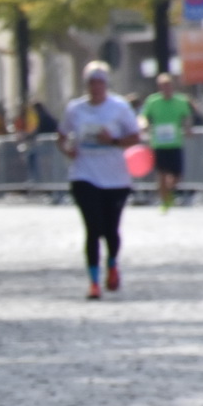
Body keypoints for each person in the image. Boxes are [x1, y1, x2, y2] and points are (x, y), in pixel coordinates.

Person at [58, 61, 139, 299]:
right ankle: (93, 281)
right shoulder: (75, 109)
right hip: (84, 174)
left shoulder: (119, 108)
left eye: (100, 82)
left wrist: (113, 141)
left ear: (106, 84)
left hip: (115, 177)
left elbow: (135, 137)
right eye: (91, 83)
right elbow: (61, 136)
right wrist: (67, 149)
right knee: (93, 228)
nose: (96, 87)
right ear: (86, 85)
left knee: (110, 229)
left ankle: (112, 264)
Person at [139, 73, 195, 211]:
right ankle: (165, 201)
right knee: (162, 173)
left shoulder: (180, 101)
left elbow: (186, 117)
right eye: (163, 86)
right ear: (159, 87)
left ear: (172, 86)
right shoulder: (153, 101)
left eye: (168, 85)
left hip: (175, 143)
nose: (166, 88)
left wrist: (187, 128)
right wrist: (144, 125)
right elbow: (144, 116)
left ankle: (169, 192)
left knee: (177, 175)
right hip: (159, 143)